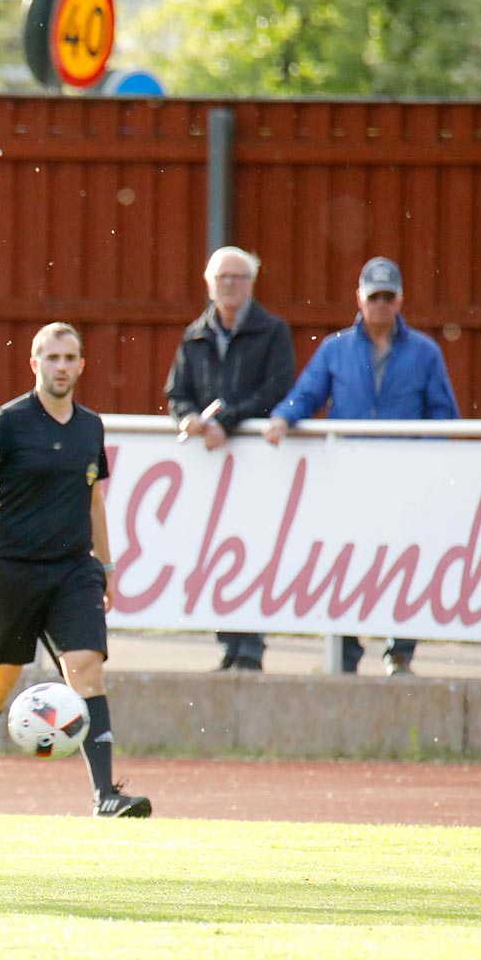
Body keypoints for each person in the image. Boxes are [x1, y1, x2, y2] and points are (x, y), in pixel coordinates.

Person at [0, 323, 150, 819]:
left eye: (70, 357)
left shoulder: (90, 426)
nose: (62, 366)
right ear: (35, 364)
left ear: (82, 364)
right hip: (10, 572)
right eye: (52, 358)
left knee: (87, 669)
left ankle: (106, 794)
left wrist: (106, 566)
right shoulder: (7, 423)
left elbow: (95, 499)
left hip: (73, 572)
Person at [264, 256, 461, 676]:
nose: (380, 305)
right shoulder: (336, 348)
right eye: (374, 297)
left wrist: (420, 455)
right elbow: (308, 393)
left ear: (400, 299)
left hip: (404, 479)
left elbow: (443, 415)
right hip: (348, 478)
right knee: (348, 562)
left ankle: (400, 650)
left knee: (406, 560)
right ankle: (347, 652)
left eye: (388, 297)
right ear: (360, 298)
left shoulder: (425, 353)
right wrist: (283, 416)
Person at [164, 245, 296, 672]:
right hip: (211, 464)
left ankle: (251, 646)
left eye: (238, 277)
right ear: (209, 284)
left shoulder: (272, 331)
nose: (229, 286)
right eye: (222, 278)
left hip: (255, 461)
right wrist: (188, 418)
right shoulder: (195, 335)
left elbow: (277, 389)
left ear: (251, 284)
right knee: (216, 550)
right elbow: (177, 392)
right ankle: (228, 642)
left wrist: (229, 420)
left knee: (253, 547)